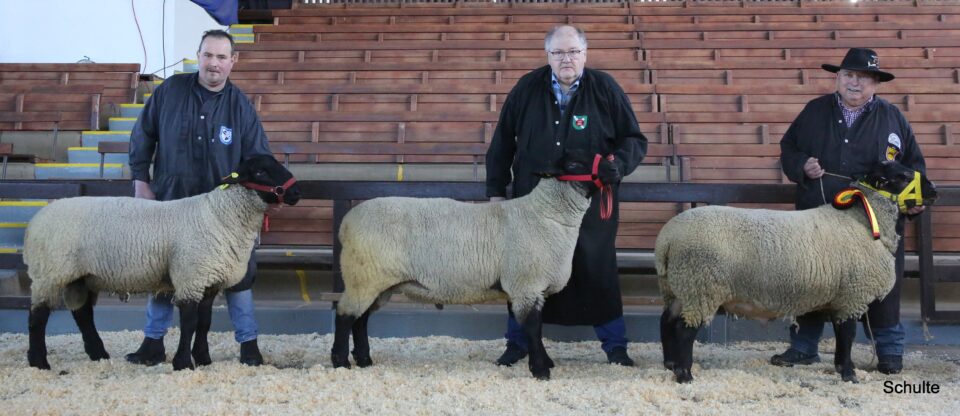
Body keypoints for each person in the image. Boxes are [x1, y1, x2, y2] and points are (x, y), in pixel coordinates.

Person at [485, 25, 648, 367]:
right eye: (558, 53)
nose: (566, 59)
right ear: (548, 56)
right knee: (525, 272)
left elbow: (634, 140)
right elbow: (501, 144)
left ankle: (615, 346)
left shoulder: (605, 88)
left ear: (585, 54)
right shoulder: (526, 88)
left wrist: (617, 164)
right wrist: (496, 193)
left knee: (596, 266)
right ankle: (517, 343)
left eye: (573, 51)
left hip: (588, 203)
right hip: (533, 206)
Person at [125, 30, 278, 367]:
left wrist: (255, 209)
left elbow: (257, 159)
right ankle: (153, 342)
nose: (213, 63)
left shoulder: (240, 106)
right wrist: (141, 180)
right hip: (172, 199)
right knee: (164, 271)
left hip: (222, 214)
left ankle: (248, 344)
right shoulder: (170, 91)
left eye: (221, 57)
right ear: (198, 55)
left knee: (238, 273)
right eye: (208, 55)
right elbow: (143, 134)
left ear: (233, 61)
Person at [776, 47, 926, 375]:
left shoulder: (893, 118)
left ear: (875, 83)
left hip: (872, 228)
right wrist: (802, 165)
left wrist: (913, 203)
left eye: (864, 77)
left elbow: (914, 168)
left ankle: (888, 352)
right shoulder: (814, 111)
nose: (854, 83)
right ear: (838, 77)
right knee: (812, 279)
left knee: (882, 286)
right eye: (849, 75)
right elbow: (788, 148)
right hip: (819, 220)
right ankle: (803, 347)